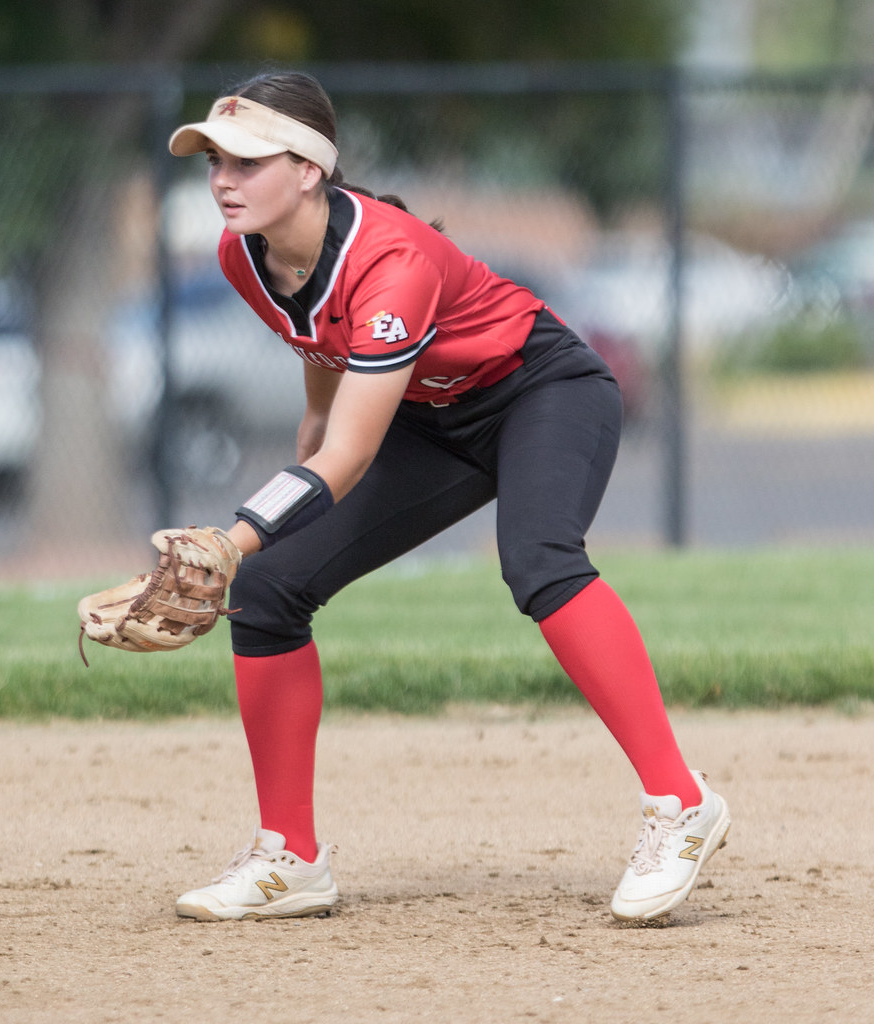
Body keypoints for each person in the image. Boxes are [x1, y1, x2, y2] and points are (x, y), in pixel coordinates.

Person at [165, 70, 730, 925]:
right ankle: (290, 860)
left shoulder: (392, 258)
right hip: (432, 416)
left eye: (247, 161)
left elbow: (352, 455)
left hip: (541, 389)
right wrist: (314, 418)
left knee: (539, 560)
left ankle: (682, 803)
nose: (222, 180)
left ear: (310, 170)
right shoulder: (240, 254)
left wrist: (232, 538)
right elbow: (319, 336)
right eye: (214, 160)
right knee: (271, 590)